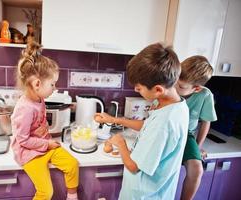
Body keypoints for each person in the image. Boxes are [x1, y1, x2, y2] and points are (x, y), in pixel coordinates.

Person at [95, 43, 189, 200]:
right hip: (154, 192)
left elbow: (133, 167)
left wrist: (121, 143)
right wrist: (114, 119)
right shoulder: (175, 105)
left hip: (144, 195)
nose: (136, 91)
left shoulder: (164, 123)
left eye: (139, 88)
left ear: (158, 89)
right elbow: (147, 126)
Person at [11, 41, 79, 200]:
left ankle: (72, 196)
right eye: (52, 84)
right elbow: (23, 140)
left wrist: (46, 139)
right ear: (37, 84)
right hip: (29, 153)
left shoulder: (39, 98)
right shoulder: (25, 108)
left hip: (45, 143)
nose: (54, 88)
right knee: (46, 192)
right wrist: (47, 144)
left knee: (72, 164)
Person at [175, 56, 217, 200]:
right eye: (175, 82)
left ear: (197, 88)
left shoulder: (205, 95)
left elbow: (206, 122)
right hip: (165, 131)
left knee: (196, 169)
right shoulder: (170, 85)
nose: (175, 87)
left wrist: (198, 147)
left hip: (187, 135)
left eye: (181, 86)